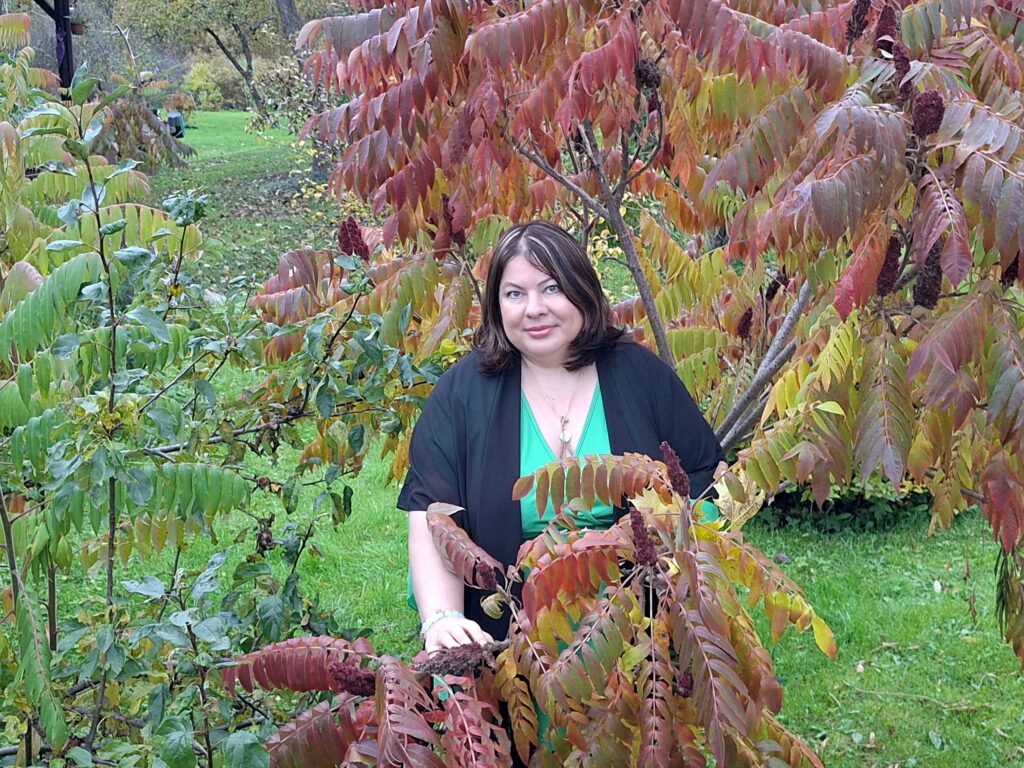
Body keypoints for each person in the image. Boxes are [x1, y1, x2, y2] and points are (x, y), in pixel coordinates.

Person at [398, 221, 726, 652]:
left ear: (582, 290)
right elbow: (432, 515)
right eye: (515, 294)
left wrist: (680, 569)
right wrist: (443, 619)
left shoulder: (641, 376)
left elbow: (704, 482)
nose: (533, 309)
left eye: (551, 288)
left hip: (639, 639)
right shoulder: (462, 393)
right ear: (497, 306)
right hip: (510, 644)